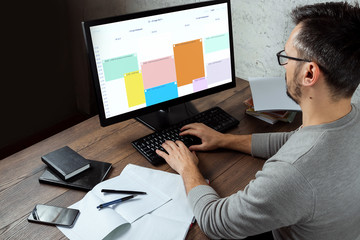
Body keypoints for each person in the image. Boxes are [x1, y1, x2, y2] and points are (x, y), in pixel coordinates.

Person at [156, 2, 360, 240]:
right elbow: (295, 140)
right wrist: (224, 139)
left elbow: (214, 222)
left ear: (309, 74)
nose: (284, 67)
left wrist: (187, 168)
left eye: (287, 57)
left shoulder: (292, 173)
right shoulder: (350, 116)